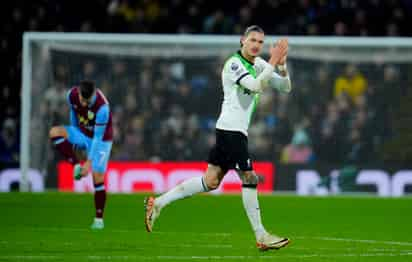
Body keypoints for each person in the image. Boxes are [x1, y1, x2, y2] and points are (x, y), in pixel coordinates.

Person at [144, 25, 292, 251]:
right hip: (231, 130)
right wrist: (272, 60)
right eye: (252, 40)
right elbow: (254, 85)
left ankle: (159, 203)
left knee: (211, 181)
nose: (256, 45)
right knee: (250, 178)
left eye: (260, 42)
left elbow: (285, 87)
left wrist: (282, 65)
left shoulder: (260, 64)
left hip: (231, 130)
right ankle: (261, 235)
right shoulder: (234, 64)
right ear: (243, 40)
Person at [49, 80, 113, 230]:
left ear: (94, 94)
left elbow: (97, 137)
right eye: (82, 100)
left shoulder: (103, 108)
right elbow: (74, 112)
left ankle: (99, 220)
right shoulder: (71, 95)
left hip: (102, 140)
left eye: (88, 101)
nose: (84, 104)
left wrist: (88, 163)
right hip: (83, 132)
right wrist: (75, 137)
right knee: (55, 132)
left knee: (97, 177)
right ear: (78, 93)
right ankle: (75, 164)